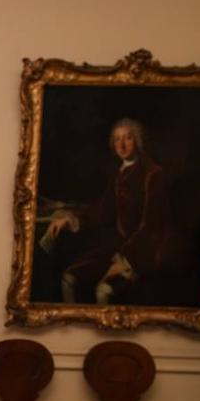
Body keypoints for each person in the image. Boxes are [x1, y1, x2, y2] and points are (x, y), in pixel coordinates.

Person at [45, 118, 171, 304]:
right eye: (117, 139)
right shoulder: (119, 173)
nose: (121, 144)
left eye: (128, 138)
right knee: (69, 278)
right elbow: (103, 211)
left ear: (138, 141)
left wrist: (126, 260)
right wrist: (70, 220)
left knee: (104, 291)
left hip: (142, 251)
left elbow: (151, 226)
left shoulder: (153, 173)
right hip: (116, 246)